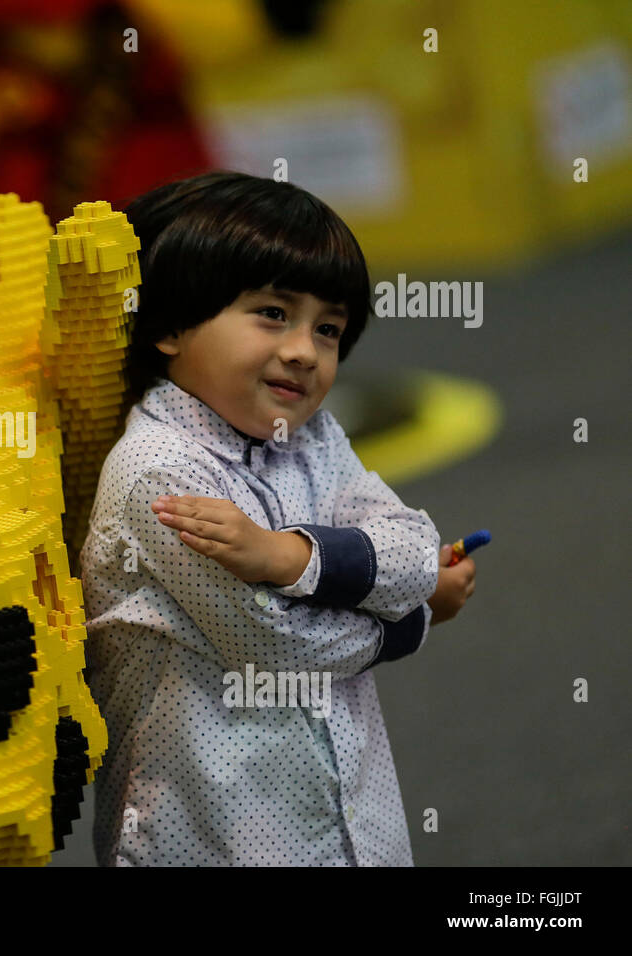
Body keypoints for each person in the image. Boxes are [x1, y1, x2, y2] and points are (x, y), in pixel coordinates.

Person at [79, 171, 477, 866]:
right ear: (171, 325)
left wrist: (290, 558)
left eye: (328, 329)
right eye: (272, 313)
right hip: (212, 836)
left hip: (352, 822)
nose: (304, 350)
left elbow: (412, 540)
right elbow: (282, 648)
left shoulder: (314, 437)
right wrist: (415, 614)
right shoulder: (159, 474)